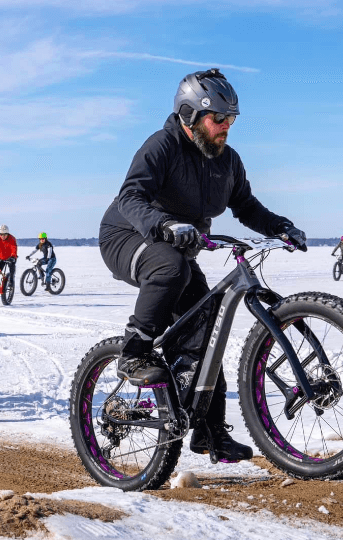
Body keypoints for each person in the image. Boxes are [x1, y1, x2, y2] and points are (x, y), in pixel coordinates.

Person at [98, 68, 307, 462]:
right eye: (218, 118)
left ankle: (210, 432)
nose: (226, 126)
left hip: (177, 248)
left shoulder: (227, 161)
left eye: (232, 119)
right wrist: (163, 224)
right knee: (171, 268)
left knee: (206, 330)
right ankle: (134, 350)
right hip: (128, 236)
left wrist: (280, 227)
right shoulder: (162, 146)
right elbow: (130, 197)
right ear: (190, 115)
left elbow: (245, 207)